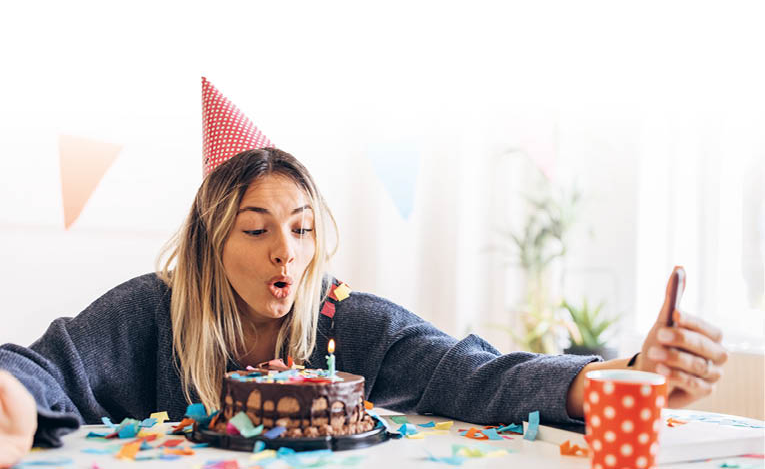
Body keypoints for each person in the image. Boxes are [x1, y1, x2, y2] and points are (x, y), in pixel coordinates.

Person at [0, 146, 728, 468]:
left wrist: (623, 374)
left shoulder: (347, 320)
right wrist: (13, 396)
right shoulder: (148, 315)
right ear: (212, 242)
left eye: (302, 227)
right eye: (255, 231)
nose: (285, 251)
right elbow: (38, 369)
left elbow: (472, 374)